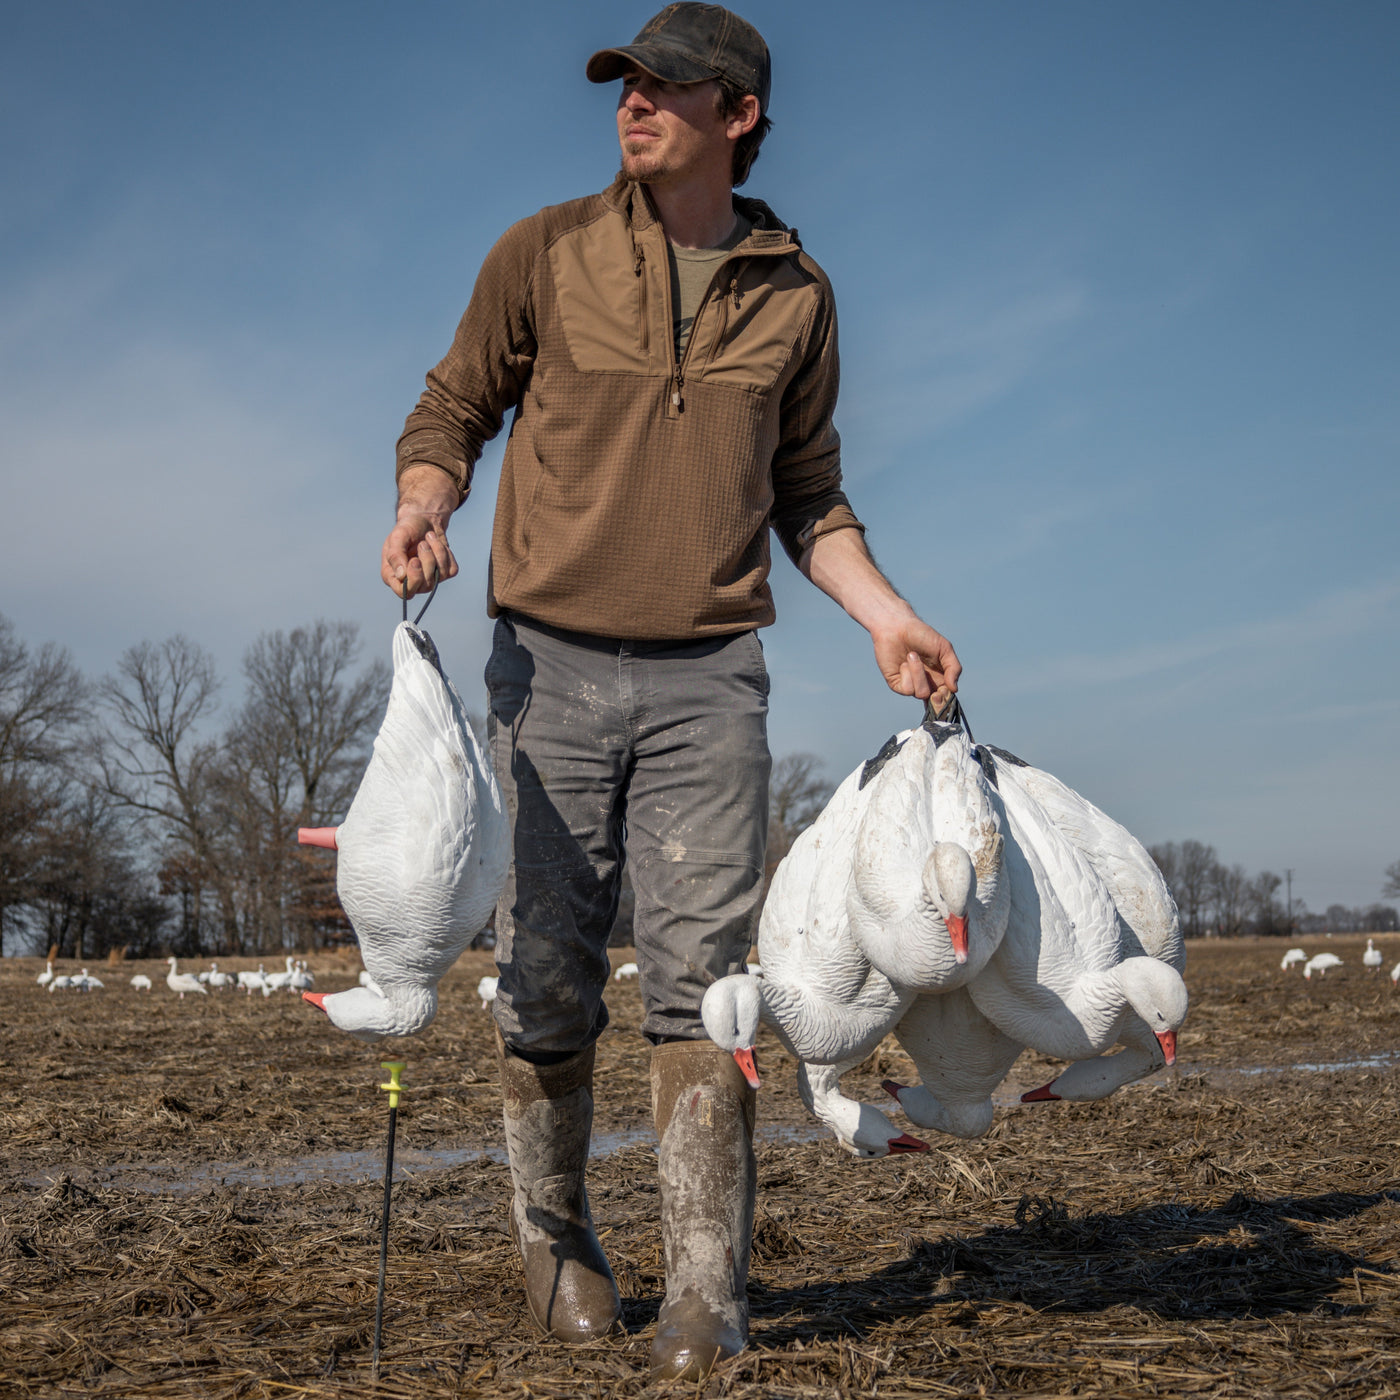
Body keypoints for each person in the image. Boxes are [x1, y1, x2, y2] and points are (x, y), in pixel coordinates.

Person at [380, 3, 961, 1380]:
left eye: (665, 87)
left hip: (712, 678)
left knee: (707, 988)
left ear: (738, 114)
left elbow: (810, 499)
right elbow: (451, 406)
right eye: (623, 84)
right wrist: (423, 502)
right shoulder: (545, 253)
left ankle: (708, 1290)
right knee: (544, 976)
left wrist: (889, 617)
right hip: (546, 668)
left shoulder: (798, 294)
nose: (632, 104)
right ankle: (556, 1233)